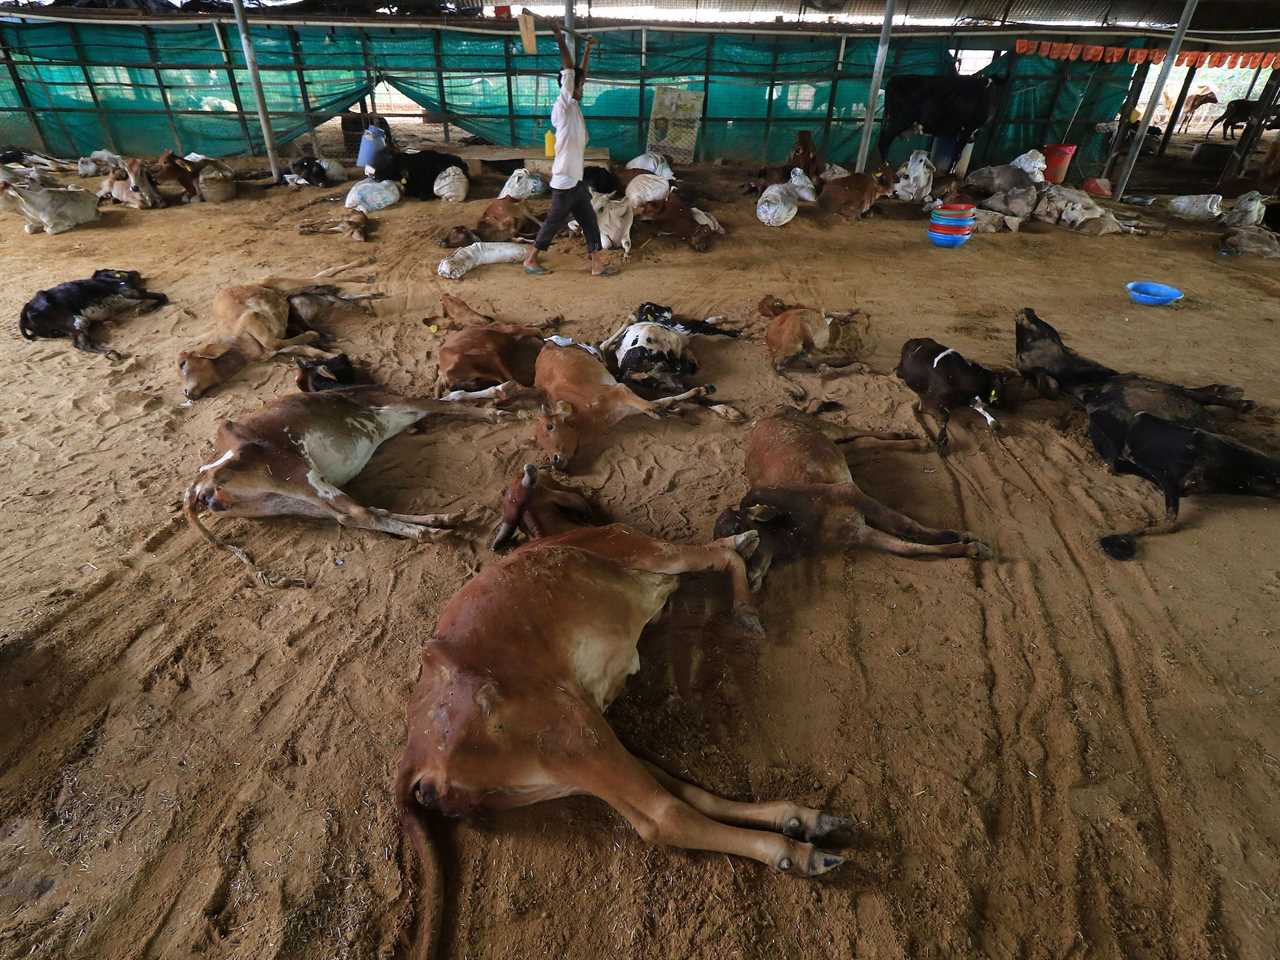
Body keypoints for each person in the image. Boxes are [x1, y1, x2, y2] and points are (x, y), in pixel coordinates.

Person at [523, 26, 617, 277]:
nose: (582, 86)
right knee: (554, 223)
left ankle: (597, 263)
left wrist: (588, 49)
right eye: (578, 84)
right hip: (564, 181)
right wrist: (558, 37)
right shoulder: (563, 106)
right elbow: (570, 70)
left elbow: (579, 73)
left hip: (575, 179)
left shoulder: (574, 106)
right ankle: (531, 259)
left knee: (588, 221)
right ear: (568, 85)